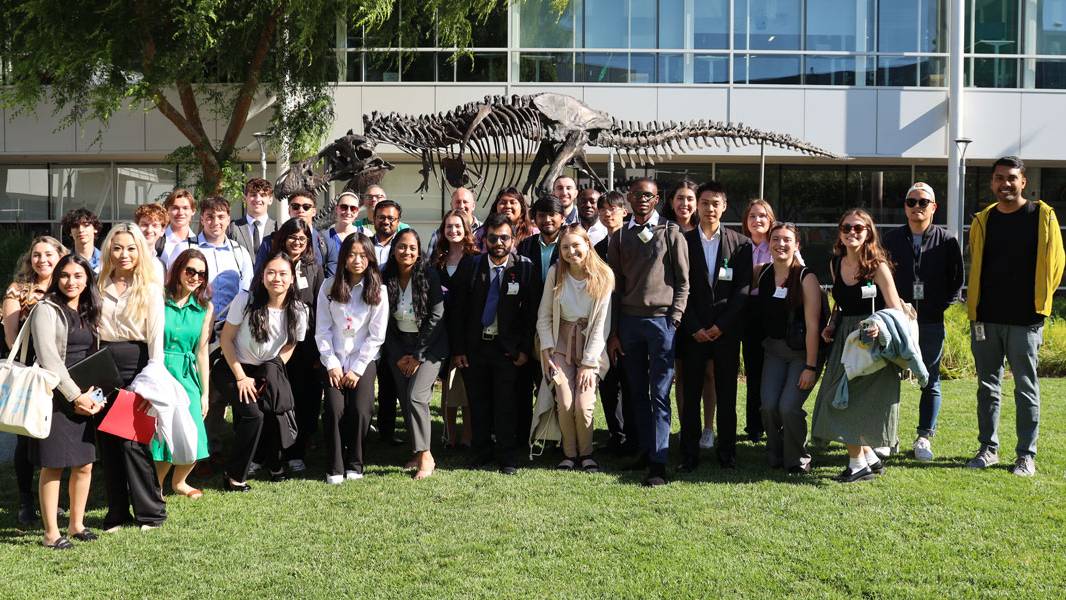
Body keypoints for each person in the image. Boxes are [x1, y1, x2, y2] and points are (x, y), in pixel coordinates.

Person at [965, 156, 1064, 476]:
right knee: (987, 387)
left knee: (1026, 387)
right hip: (986, 319)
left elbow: (1057, 263)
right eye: (999, 178)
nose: (1004, 184)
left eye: (1011, 178)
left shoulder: (1041, 216)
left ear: (1024, 182)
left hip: (1026, 319)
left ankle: (1026, 454)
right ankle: (988, 448)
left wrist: (1041, 304)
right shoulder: (984, 220)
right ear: (992, 182)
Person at [606, 178, 689, 487]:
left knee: (661, 394)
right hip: (629, 323)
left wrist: (675, 318)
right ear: (629, 198)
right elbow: (615, 286)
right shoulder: (618, 236)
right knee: (637, 392)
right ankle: (644, 450)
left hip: (661, 322)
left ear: (657, 199)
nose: (642, 199)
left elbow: (683, 281)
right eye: (637, 194)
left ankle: (659, 463)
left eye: (648, 195)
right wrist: (614, 331)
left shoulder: (671, 232)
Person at [811, 209, 903, 483]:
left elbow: (896, 308)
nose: (852, 232)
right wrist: (831, 323)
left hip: (871, 342)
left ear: (868, 233)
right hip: (843, 340)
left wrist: (879, 326)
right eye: (846, 227)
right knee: (837, 397)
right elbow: (840, 302)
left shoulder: (877, 266)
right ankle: (869, 458)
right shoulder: (834, 263)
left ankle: (856, 464)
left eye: (858, 228)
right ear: (840, 232)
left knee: (850, 402)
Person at [27, 254, 105, 549]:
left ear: (87, 280)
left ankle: (76, 525)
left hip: (86, 396)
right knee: (54, 465)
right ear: (56, 278)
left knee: (84, 464)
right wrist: (75, 395)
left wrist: (95, 396)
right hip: (57, 397)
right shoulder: (46, 310)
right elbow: (49, 359)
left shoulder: (90, 310)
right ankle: (51, 534)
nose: (71, 282)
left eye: (78, 276)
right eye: (65, 275)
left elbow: (95, 355)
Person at [882, 183, 964, 462]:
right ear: (905, 206)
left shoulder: (947, 240)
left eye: (923, 202)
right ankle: (885, 437)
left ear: (934, 207)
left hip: (929, 321)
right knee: (886, 377)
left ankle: (923, 437)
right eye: (911, 201)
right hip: (896, 320)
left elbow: (957, 279)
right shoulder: (891, 240)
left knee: (929, 379)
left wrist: (939, 305)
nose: (917, 206)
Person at [449, 213, 536, 475]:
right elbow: (457, 311)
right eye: (493, 237)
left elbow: (531, 314)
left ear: (513, 239)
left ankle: (507, 456)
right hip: (476, 348)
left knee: (506, 404)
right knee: (478, 402)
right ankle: (481, 451)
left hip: (507, 350)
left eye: (504, 238)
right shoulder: (471, 265)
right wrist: (458, 350)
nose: (498, 242)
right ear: (484, 239)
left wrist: (523, 349)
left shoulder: (524, 268)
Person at [96, 223, 167, 530]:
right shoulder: (97, 286)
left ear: (140, 251)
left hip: (136, 367)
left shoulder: (150, 288)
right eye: (117, 248)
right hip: (101, 367)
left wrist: (150, 379)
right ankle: (117, 513)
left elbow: (156, 340)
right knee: (108, 443)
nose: (124, 255)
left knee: (134, 443)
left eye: (130, 248)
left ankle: (150, 512)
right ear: (109, 250)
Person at [678, 181, 753, 471]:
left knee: (726, 395)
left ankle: (727, 453)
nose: (710, 208)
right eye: (705, 202)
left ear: (724, 206)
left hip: (725, 333)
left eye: (715, 203)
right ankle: (689, 454)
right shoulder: (682, 242)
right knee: (691, 393)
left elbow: (742, 291)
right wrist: (694, 326)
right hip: (693, 332)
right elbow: (676, 289)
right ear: (697, 205)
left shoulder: (740, 244)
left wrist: (721, 326)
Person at [219, 252, 309, 490]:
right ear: (262, 276)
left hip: (268, 367)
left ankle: (274, 462)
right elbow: (226, 339)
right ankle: (234, 475)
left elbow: (292, 343)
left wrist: (276, 366)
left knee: (273, 411)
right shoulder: (246, 300)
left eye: (282, 274)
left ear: (292, 279)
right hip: (233, 366)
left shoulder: (299, 309)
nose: (276, 278)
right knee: (254, 415)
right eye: (271, 272)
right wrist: (241, 377)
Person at [537, 224, 613, 472]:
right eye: (565, 247)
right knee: (566, 401)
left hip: (591, 345)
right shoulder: (555, 273)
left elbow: (602, 324)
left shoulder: (603, 275)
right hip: (561, 345)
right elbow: (544, 316)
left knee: (583, 404)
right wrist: (547, 349)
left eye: (576, 245)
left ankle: (587, 454)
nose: (571, 252)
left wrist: (589, 363)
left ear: (587, 245)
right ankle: (569, 455)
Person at [2, 235, 67, 525]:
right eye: (36, 255)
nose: (42, 260)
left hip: (64, 369)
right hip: (31, 371)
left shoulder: (68, 285)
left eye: (49, 254)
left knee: (55, 436)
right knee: (26, 437)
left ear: (60, 255)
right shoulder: (17, 291)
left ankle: (53, 498)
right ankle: (26, 499)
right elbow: (10, 335)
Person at [315, 235, 388, 483]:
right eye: (352, 254)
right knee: (334, 409)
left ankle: (355, 462)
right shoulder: (327, 287)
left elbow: (376, 336)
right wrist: (332, 364)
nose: (357, 260)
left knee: (360, 409)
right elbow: (322, 330)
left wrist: (357, 369)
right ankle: (335, 466)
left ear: (370, 258)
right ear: (344, 257)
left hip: (363, 361)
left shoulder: (379, 290)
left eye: (363, 255)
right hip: (333, 358)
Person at [755, 223, 821, 473]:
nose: (781, 244)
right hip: (773, 351)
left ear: (797, 245)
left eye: (787, 240)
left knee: (788, 407)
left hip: (801, 354)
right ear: (768, 243)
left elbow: (814, 327)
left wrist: (810, 367)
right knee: (769, 406)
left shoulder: (807, 278)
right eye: (775, 239)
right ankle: (776, 453)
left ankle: (797, 458)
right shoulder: (762, 273)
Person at [383, 229, 447, 479]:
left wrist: (418, 354)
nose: (406, 251)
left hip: (430, 348)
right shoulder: (385, 276)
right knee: (405, 398)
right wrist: (398, 353)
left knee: (416, 397)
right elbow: (381, 320)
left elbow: (437, 315)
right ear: (394, 249)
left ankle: (427, 456)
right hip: (399, 346)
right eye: (401, 246)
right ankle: (417, 452)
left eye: (412, 247)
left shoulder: (428, 274)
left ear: (419, 251)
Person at [151, 249, 213, 498]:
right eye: (190, 271)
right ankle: (156, 486)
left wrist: (205, 393)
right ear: (178, 269)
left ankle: (180, 482)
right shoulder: (158, 299)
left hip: (187, 375)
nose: (195, 277)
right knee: (162, 433)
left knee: (193, 432)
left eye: (201, 273)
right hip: (159, 369)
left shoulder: (204, 308)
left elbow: (202, 352)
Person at [664, 179, 718, 451]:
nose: (684, 204)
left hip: (703, 317)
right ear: (671, 201)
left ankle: (708, 428)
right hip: (677, 318)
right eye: (679, 198)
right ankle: (687, 427)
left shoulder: (704, 233)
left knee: (709, 373)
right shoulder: (663, 230)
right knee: (681, 375)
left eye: (689, 198)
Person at [269, 219, 325, 473]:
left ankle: (298, 449)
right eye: (292, 237)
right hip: (276, 341)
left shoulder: (314, 267)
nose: (297, 243)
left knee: (305, 398)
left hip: (306, 343)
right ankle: (274, 449)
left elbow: (322, 306)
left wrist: (318, 350)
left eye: (302, 239)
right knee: (279, 396)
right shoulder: (274, 263)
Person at [515, 195, 564, 445]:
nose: (547, 220)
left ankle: (559, 436)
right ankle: (530, 433)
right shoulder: (525, 246)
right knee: (531, 380)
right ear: (534, 218)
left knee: (558, 382)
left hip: (563, 324)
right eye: (541, 215)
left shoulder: (571, 243)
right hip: (531, 322)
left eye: (552, 214)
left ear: (562, 217)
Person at [594, 191, 637, 455]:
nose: (608, 213)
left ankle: (633, 436)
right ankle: (615, 434)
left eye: (613, 209)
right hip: (603, 324)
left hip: (630, 324)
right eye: (603, 209)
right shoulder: (597, 249)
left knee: (630, 384)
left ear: (624, 212)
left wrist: (619, 330)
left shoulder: (635, 244)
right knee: (608, 383)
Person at [431, 210, 479, 448]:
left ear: (466, 229)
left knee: (468, 385)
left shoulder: (476, 258)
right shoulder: (437, 259)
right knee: (447, 387)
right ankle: (449, 435)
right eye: (449, 226)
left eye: (458, 226)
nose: (453, 231)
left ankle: (468, 435)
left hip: (469, 331)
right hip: (442, 330)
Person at [740, 199, 785, 446]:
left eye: (762, 216)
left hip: (776, 311)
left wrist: (756, 273)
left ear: (771, 220)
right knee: (754, 370)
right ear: (746, 221)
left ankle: (776, 423)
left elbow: (794, 271)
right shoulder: (740, 247)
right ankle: (754, 426)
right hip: (750, 313)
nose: (757, 220)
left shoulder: (779, 243)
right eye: (753, 216)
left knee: (776, 369)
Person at [368, 199, 405, 444]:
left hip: (394, 321)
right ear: (374, 219)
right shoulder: (363, 245)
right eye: (382, 217)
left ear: (398, 221)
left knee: (389, 380)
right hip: (366, 319)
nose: (386, 221)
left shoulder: (403, 246)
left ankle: (387, 431)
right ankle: (361, 425)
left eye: (391, 218)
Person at [256, 189, 338, 278]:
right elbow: (258, 278)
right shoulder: (270, 242)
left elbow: (330, 283)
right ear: (289, 210)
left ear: (314, 211)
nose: (300, 210)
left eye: (306, 207)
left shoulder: (327, 244)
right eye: (295, 206)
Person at [229, 178, 277, 256]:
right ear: (245, 199)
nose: (258, 199)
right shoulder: (233, 227)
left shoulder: (277, 227)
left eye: (263, 195)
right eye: (253, 195)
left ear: (270, 200)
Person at [428, 187, 482, 252]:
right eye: (458, 202)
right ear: (451, 205)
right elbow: (430, 260)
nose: (461, 206)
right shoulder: (438, 235)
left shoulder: (484, 230)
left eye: (465, 202)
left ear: (473, 206)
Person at [160, 189, 199, 270]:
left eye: (185, 208)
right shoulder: (158, 241)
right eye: (175, 208)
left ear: (193, 211)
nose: (180, 213)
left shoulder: (199, 244)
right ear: (167, 210)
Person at [61, 208, 102, 272]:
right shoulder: (63, 261)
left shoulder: (107, 260)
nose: (80, 230)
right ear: (70, 232)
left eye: (86, 225)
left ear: (95, 228)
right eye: (75, 226)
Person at [324, 191, 362, 257]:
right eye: (344, 207)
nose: (348, 212)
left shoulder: (365, 234)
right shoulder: (325, 237)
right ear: (336, 209)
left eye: (353, 208)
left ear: (357, 212)